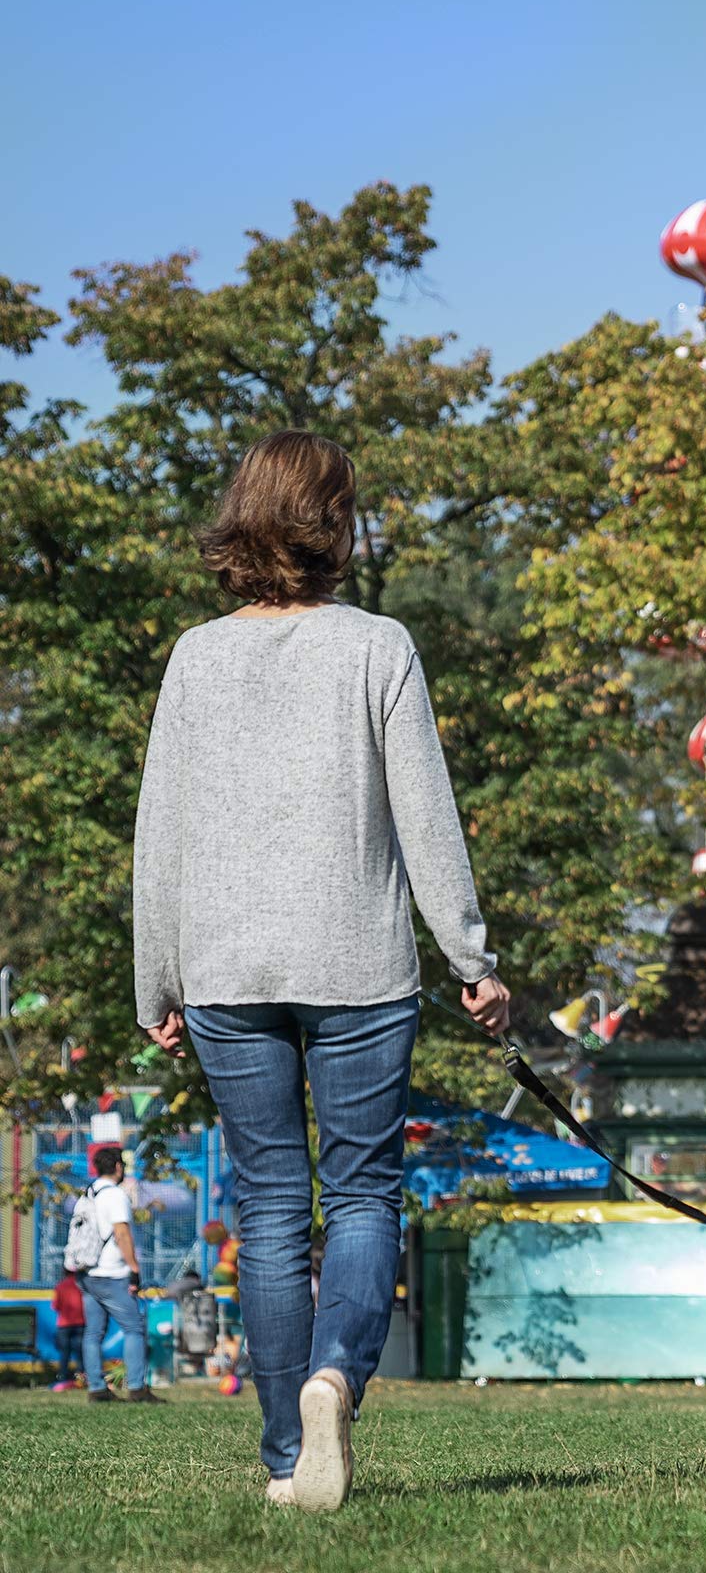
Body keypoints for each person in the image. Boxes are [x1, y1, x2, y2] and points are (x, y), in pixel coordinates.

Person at [132, 431, 511, 1512]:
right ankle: (336, 1377)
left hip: (225, 965)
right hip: (358, 961)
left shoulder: (195, 656)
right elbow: (424, 818)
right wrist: (469, 959)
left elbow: (160, 832)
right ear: (333, 520)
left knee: (264, 1209)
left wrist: (154, 979)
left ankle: (287, 1460)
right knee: (359, 1196)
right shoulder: (376, 644)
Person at [75, 1146, 162, 1404]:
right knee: (134, 1328)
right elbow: (122, 1233)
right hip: (111, 1273)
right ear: (118, 1167)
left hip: (87, 1273)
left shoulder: (87, 1194)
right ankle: (136, 1387)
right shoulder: (114, 1195)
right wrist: (134, 1269)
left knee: (93, 1333)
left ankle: (97, 1389)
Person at [51, 1266, 87, 1391]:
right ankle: (81, 1378)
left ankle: (62, 1377)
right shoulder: (82, 1285)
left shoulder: (60, 1286)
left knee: (64, 1353)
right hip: (81, 1323)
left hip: (64, 1324)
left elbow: (56, 1306)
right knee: (80, 1352)